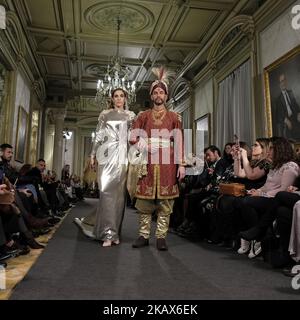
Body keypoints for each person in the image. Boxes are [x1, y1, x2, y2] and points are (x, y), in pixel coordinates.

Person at [130, 67, 186, 251]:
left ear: (166, 95)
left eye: (161, 92)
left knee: (165, 202)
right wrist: (143, 145)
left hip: (168, 162)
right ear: (151, 95)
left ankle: (161, 237)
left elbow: (179, 141)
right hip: (147, 161)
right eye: (155, 92)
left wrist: (182, 165)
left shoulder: (174, 117)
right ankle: (143, 235)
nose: (158, 94)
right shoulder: (143, 116)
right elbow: (132, 137)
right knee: (145, 202)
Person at [74, 88, 135, 247]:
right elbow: (99, 135)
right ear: (112, 98)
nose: (119, 99)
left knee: (119, 197)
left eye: (122, 96)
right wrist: (92, 155)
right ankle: (107, 232)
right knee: (105, 192)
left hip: (122, 157)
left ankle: (113, 234)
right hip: (105, 155)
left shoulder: (131, 115)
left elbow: (133, 137)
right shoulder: (105, 114)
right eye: (116, 96)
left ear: (126, 98)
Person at [274, 73, 300, 139]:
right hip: (286, 121)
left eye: (284, 80)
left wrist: (299, 113)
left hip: (294, 118)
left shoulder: (290, 92)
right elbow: (278, 114)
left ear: (286, 81)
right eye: (281, 81)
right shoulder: (278, 99)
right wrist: (285, 120)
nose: (283, 83)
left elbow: (296, 105)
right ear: (279, 84)